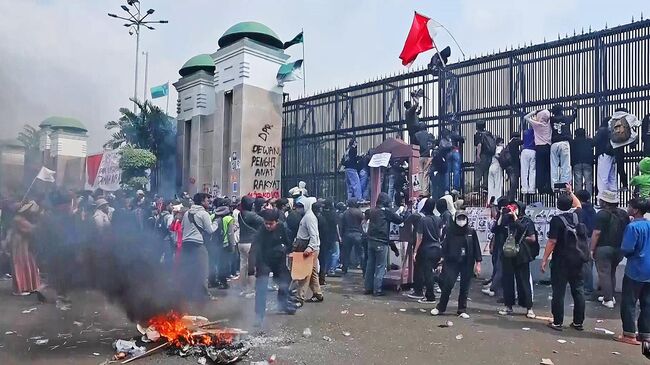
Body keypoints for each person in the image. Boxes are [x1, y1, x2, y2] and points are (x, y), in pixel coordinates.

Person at [541, 186, 585, 331]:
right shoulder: (578, 215)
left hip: (561, 260)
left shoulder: (556, 220)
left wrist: (544, 259)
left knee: (558, 291)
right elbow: (578, 204)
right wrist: (571, 192)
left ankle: (558, 322)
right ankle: (578, 322)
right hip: (578, 259)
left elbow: (552, 241)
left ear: (557, 205)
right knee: (578, 290)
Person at [249, 209, 297, 326]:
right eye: (266, 223)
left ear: (276, 222)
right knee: (261, 288)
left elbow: (289, 243)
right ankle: (259, 316)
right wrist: (251, 268)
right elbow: (253, 249)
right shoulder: (261, 232)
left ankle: (283, 304)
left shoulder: (282, 228)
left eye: (271, 223)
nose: (268, 226)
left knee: (285, 281)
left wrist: (284, 248)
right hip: (264, 261)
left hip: (278, 261)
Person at [431, 210, 482, 318]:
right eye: (459, 218)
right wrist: (441, 260)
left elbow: (476, 247)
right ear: (455, 219)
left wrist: (478, 263)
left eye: (463, 218)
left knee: (465, 287)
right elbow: (445, 246)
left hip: (467, 262)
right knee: (448, 284)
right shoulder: (450, 231)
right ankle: (440, 307)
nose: (461, 221)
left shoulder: (471, 232)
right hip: (452, 262)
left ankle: (462, 309)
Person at [617, 198, 650, 348]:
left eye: (630, 206)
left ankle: (629, 333)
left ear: (635, 210)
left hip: (636, 269)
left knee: (629, 302)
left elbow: (627, 248)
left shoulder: (632, 227)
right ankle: (645, 334)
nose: (628, 208)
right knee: (647, 304)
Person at [498, 200, 538, 318]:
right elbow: (497, 229)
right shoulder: (506, 219)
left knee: (523, 281)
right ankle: (508, 305)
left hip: (521, 255)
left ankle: (529, 307)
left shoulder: (527, 221)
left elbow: (531, 237)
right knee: (507, 281)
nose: (512, 209)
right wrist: (501, 214)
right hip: (508, 254)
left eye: (515, 207)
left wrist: (515, 218)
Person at [591, 190, 629, 308]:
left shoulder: (602, 214)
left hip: (603, 248)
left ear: (604, 202)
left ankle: (608, 299)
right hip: (618, 248)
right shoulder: (623, 214)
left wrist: (591, 249)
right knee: (611, 272)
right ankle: (610, 295)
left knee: (604, 273)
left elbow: (596, 233)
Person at [181, 193, 219, 301]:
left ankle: (188, 294)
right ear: (202, 201)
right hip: (197, 245)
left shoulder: (187, 213)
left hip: (186, 244)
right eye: (207, 200)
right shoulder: (204, 213)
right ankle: (204, 296)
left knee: (189, 270)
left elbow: (183, 228)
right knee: (203, 270)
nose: (209, 202)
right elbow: (210, 230)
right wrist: (216, 223)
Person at [365, 192, 404, 296]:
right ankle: (377, 290)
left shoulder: (372, 211)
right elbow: (399, 220)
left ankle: (368, 288)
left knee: (370, 265)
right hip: (381, 242)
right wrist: (402, 212)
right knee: (380, 266)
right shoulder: (385, 212)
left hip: (371, 241)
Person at [3, 201, 41, 297]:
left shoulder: (21, 218)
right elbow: (31, 229)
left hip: (24, 244)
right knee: (20, 265)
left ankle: (29, 286)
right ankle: (20, 288)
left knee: (28, 263)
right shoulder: (18, 219)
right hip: (18, 245)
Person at [293, 197, 324, 303]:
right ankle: (317, 294)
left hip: (310, 248)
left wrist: (310, 247)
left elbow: (314, 234)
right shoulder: (306, 216)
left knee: (305, 273)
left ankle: (299, 297)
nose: (298, 209)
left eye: (300, 207)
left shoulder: (309, 217)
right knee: (313, 273)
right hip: (310, 247)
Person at [413, 198, 442, 304]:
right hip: (437, 248)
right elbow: (440, 234)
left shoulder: (423, 220)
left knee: (428, 273)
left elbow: (419, 237)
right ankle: (438, 291)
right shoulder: (438, 219)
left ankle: (430, 296)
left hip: (426, 249)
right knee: (435, 271)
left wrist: (415, 251)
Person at [238, 196, 264, 297]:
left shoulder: (240, 214)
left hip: (241, 243)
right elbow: (263, 221)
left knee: (243, 267)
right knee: (252, 268)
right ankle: (251, 290)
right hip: (250, 243)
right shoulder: (252, 215)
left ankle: (243, 289)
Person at [525, 109, 552, 194]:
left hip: (539, 148)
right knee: (548, 168)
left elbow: (526, 117)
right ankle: (549, 187)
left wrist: (534, 112)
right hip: (548, 147)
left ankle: (540, 187)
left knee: (539, 168)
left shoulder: (536, 124)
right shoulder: (549, 124)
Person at [576, 190, 597, 298]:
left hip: (585, 238)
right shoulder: (592, 209)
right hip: (590, 237)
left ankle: (587, 288)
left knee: (586, 263)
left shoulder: (581, 211)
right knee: (588, 263)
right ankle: (586, 286)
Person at [550, 104, 576, 188]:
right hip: (564, 143)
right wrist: (575, 109)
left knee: (554, 165)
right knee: (565, 165)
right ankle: (565, 185)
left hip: (554, 144)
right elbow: (574, 116)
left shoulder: (551, 119)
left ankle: (554, 185)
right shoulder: (566, 118)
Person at [340, 199, 365, 274]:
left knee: (346, 252)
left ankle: (345, 268)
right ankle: (364, 267)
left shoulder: (345, 213)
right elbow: (363, 222)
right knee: (361, 252)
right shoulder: (359, 212)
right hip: (357, 234)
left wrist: (341, 235)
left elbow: (342, 225)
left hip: (347, 234)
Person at [317, 200, 338, 285]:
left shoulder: (321, 216)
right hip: (330, 237)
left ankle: (324, 272)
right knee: (333, 253)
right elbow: (336, 226)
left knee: (324, 256)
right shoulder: (333, 214)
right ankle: (330, 270)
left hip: (321, 238)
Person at [595, 117, 617, 194]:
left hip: (603, 154)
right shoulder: (613, 130)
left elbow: (595, 142)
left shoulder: (601, 130)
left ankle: (602, 199)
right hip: (612, 154)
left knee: (602, 178)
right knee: (612, 178)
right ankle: (614, 198)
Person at [473, 121, 496, 193]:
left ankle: (476, 191)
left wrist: (478, 156)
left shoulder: (478, 134)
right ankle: (485, 189)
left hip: (482, 155)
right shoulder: (489, 134)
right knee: (486, 173)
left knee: (478, 173)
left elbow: (479, 145)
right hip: (489, 157)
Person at [572, 128, 594, 196]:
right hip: (587, 162)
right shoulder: (588, 141)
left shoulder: (573, 142)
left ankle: (578, 199)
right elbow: (595, 143)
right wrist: (589, 138)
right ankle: (588, 199)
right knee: (588, 182)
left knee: (578, 182)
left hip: (577, 162)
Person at [505, 132, 523, 201]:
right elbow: (522, 142)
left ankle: (511, 198)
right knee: (514, 184)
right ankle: (510, 199)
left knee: (513, 184)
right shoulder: (514, 142)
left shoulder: (509, 144)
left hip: (509, 167)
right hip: (513, 167)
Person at [487, 137, 505, 205]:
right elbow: (498, 154)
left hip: (491, 166)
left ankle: (489, 201)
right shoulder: (499, 148)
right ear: (499, 143)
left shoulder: (492, 148)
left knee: (491, 185)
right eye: (502, 142)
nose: (503, 144)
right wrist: (502, 160)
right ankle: (497, 202)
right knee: (498, 185)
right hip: (497, 166)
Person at [520, 127, 537, 195]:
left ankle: (524, 188)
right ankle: (531, 189)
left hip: (525, 150)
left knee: (524, 171)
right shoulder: (536, 131)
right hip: (533, 151)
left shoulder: (525, 132)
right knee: (532, 171)